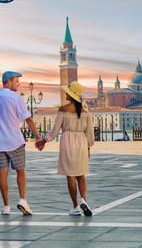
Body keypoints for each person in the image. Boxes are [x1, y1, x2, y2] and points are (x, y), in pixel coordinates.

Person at [0, 71, 43, 216]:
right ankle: (23, 200)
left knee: (2, 172)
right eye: (16, 81)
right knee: (21, 171)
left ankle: (6, 206)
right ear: (8, 81)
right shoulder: (15, 98)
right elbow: (28, 119)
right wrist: (37, 137)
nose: (18, 84)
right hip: (15, 141)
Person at [36, 81, 94, 217]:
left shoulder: (63, 109)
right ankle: (84, 200)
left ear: (70, 94)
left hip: (68, 142)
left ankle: (75, 206)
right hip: (81, 142)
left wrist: (44, 140)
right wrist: (88, 147)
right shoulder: (85, 111)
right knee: (81, 174)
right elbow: (90, 133)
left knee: (71, 175)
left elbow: (55, 131)